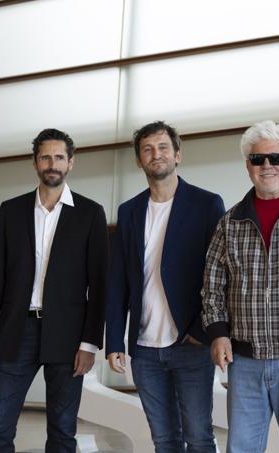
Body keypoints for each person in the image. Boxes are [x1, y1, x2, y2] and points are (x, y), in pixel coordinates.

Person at [202, 120, 279, 453]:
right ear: (247, 166)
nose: (266, 166)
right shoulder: (230, 222)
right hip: (244, 363)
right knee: (240, 448)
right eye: (257, 160)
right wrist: (218, 333)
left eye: (275, 158)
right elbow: (212, 287)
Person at [105, 121, 225, 452]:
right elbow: (118, 282)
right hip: (144, 349)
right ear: (139, 160)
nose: (155, 155)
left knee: (199, 437)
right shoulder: (129, 211)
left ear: (177, 155)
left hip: (190, 343)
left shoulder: (207, 204)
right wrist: (114, 339)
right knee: (163, 439)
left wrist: (203, 332)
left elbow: (219, 273)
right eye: (147, 149)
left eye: (162, 148)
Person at [0, 128, 108, 452]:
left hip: (68, 336)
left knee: (62, 430)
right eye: (45, 157)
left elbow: (99, 284)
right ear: (35, 163)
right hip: (17, 330)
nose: (52, 163)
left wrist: (89, 343)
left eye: (59, 157)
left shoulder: (90, 213)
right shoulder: (11, 210)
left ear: (70, 163)